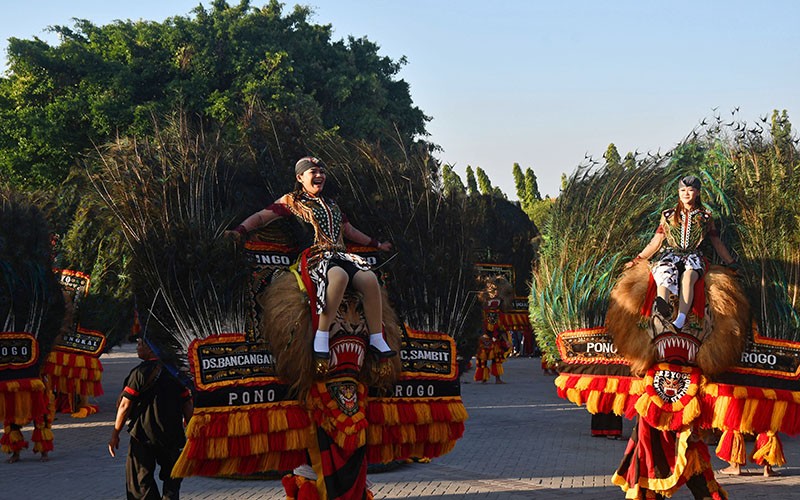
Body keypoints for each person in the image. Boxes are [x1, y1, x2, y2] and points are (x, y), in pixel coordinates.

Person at [228, 156, 395, 361]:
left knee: (369, 279)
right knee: (339, 277)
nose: (319, 175)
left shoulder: (332, 204)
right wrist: (240, 230)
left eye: (322, 172)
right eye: (313, 172)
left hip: (340, 255)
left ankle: (377, 338)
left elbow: (349, 231)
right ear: (300, 177)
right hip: (314, 257)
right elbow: (262, 216)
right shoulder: (291, 201)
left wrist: (377, 244)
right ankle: (321, 335)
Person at [625, 175, 736, 331]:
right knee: (663, 273)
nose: (686, 193)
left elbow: (716, 242)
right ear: (678, 192)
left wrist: (731, 263)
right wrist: (637, 259)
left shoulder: (705, 216)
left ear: (698, 192)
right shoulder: (668, 216)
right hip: (671, 255)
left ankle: (681, 318)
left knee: (688, 277)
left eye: (690, 190)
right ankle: (663, 307)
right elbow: (656, 242)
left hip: (693, 257)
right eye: (682, 190)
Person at [108, 336, 193, 500]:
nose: (137, 347)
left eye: (140, 344)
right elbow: (187, 403)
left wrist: (115, 434)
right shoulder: (176, 372)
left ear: (151, 348)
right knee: (172, 478)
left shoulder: (140, 373)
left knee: (140, 480)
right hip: (172, 434)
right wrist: (192, 430)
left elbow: (125, 405)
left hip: (143, 435)